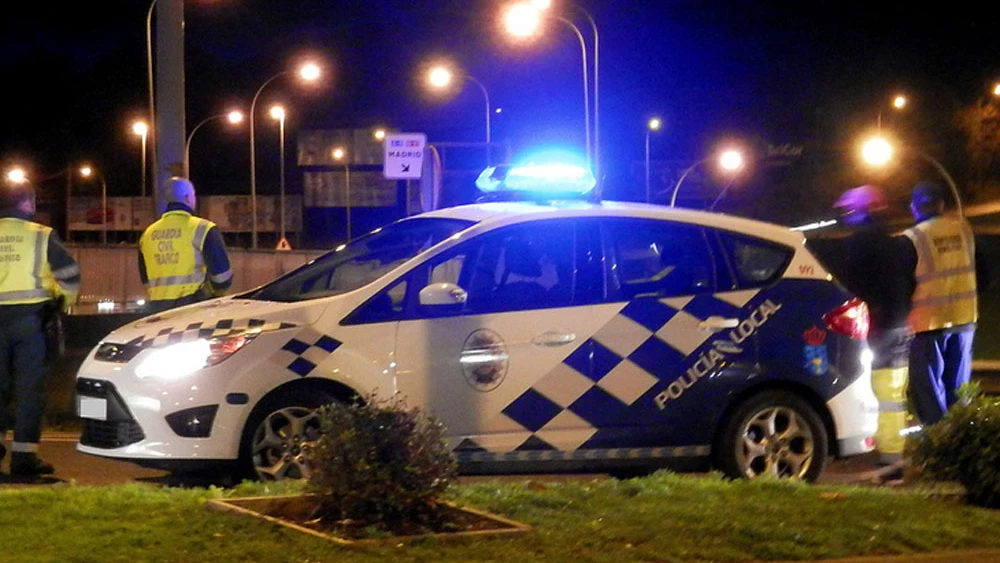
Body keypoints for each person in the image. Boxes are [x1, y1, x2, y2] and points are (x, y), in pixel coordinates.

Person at [0, 175, 80, 476]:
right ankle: (24, 458)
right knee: (30, 389)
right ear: (26, 202)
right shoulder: (40, 234)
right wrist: (63, 302)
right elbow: (70, 274)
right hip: (30, 321)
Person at [832, 185, 914, 466]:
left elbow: (851, 288)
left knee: (869, 389)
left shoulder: (857, 246)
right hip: (900, 325)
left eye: (849, 211)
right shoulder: (899, 243)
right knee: (893, 394)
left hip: (874, 329)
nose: (846, 217)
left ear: (861, 211)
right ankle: (891, 456)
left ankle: (880, 457)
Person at [902, 181, 977, 426]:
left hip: (928, 321)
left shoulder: (912, 237)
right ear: (942, 204)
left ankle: (938, 439)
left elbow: (904, 281)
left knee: (928, 388)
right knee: (959, 386)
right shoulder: (963, 228)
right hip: (964, 317)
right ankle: (961, 437)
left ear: (914, 208)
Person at [138, 177, 232, 313]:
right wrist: (207, 295)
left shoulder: (147, 234)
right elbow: (222, 279)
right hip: (194, 312)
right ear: (188, 198)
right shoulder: (204, 228)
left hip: (157, 314)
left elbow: (146, 280)